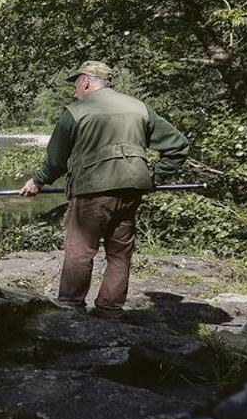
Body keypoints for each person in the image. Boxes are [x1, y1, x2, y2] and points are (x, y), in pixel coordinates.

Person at [19, 61, 190, 319]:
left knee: (80, 250)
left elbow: (56, 161)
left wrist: (37, 181)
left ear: (86, 82)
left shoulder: (76, 111)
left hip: (92, 191)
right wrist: (155, 175)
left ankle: (70, 309)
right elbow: (178, 145)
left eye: (76, 84)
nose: (75, 91)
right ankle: (110, 312)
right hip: (132, 189)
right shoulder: (139, 108)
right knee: (119, 252)